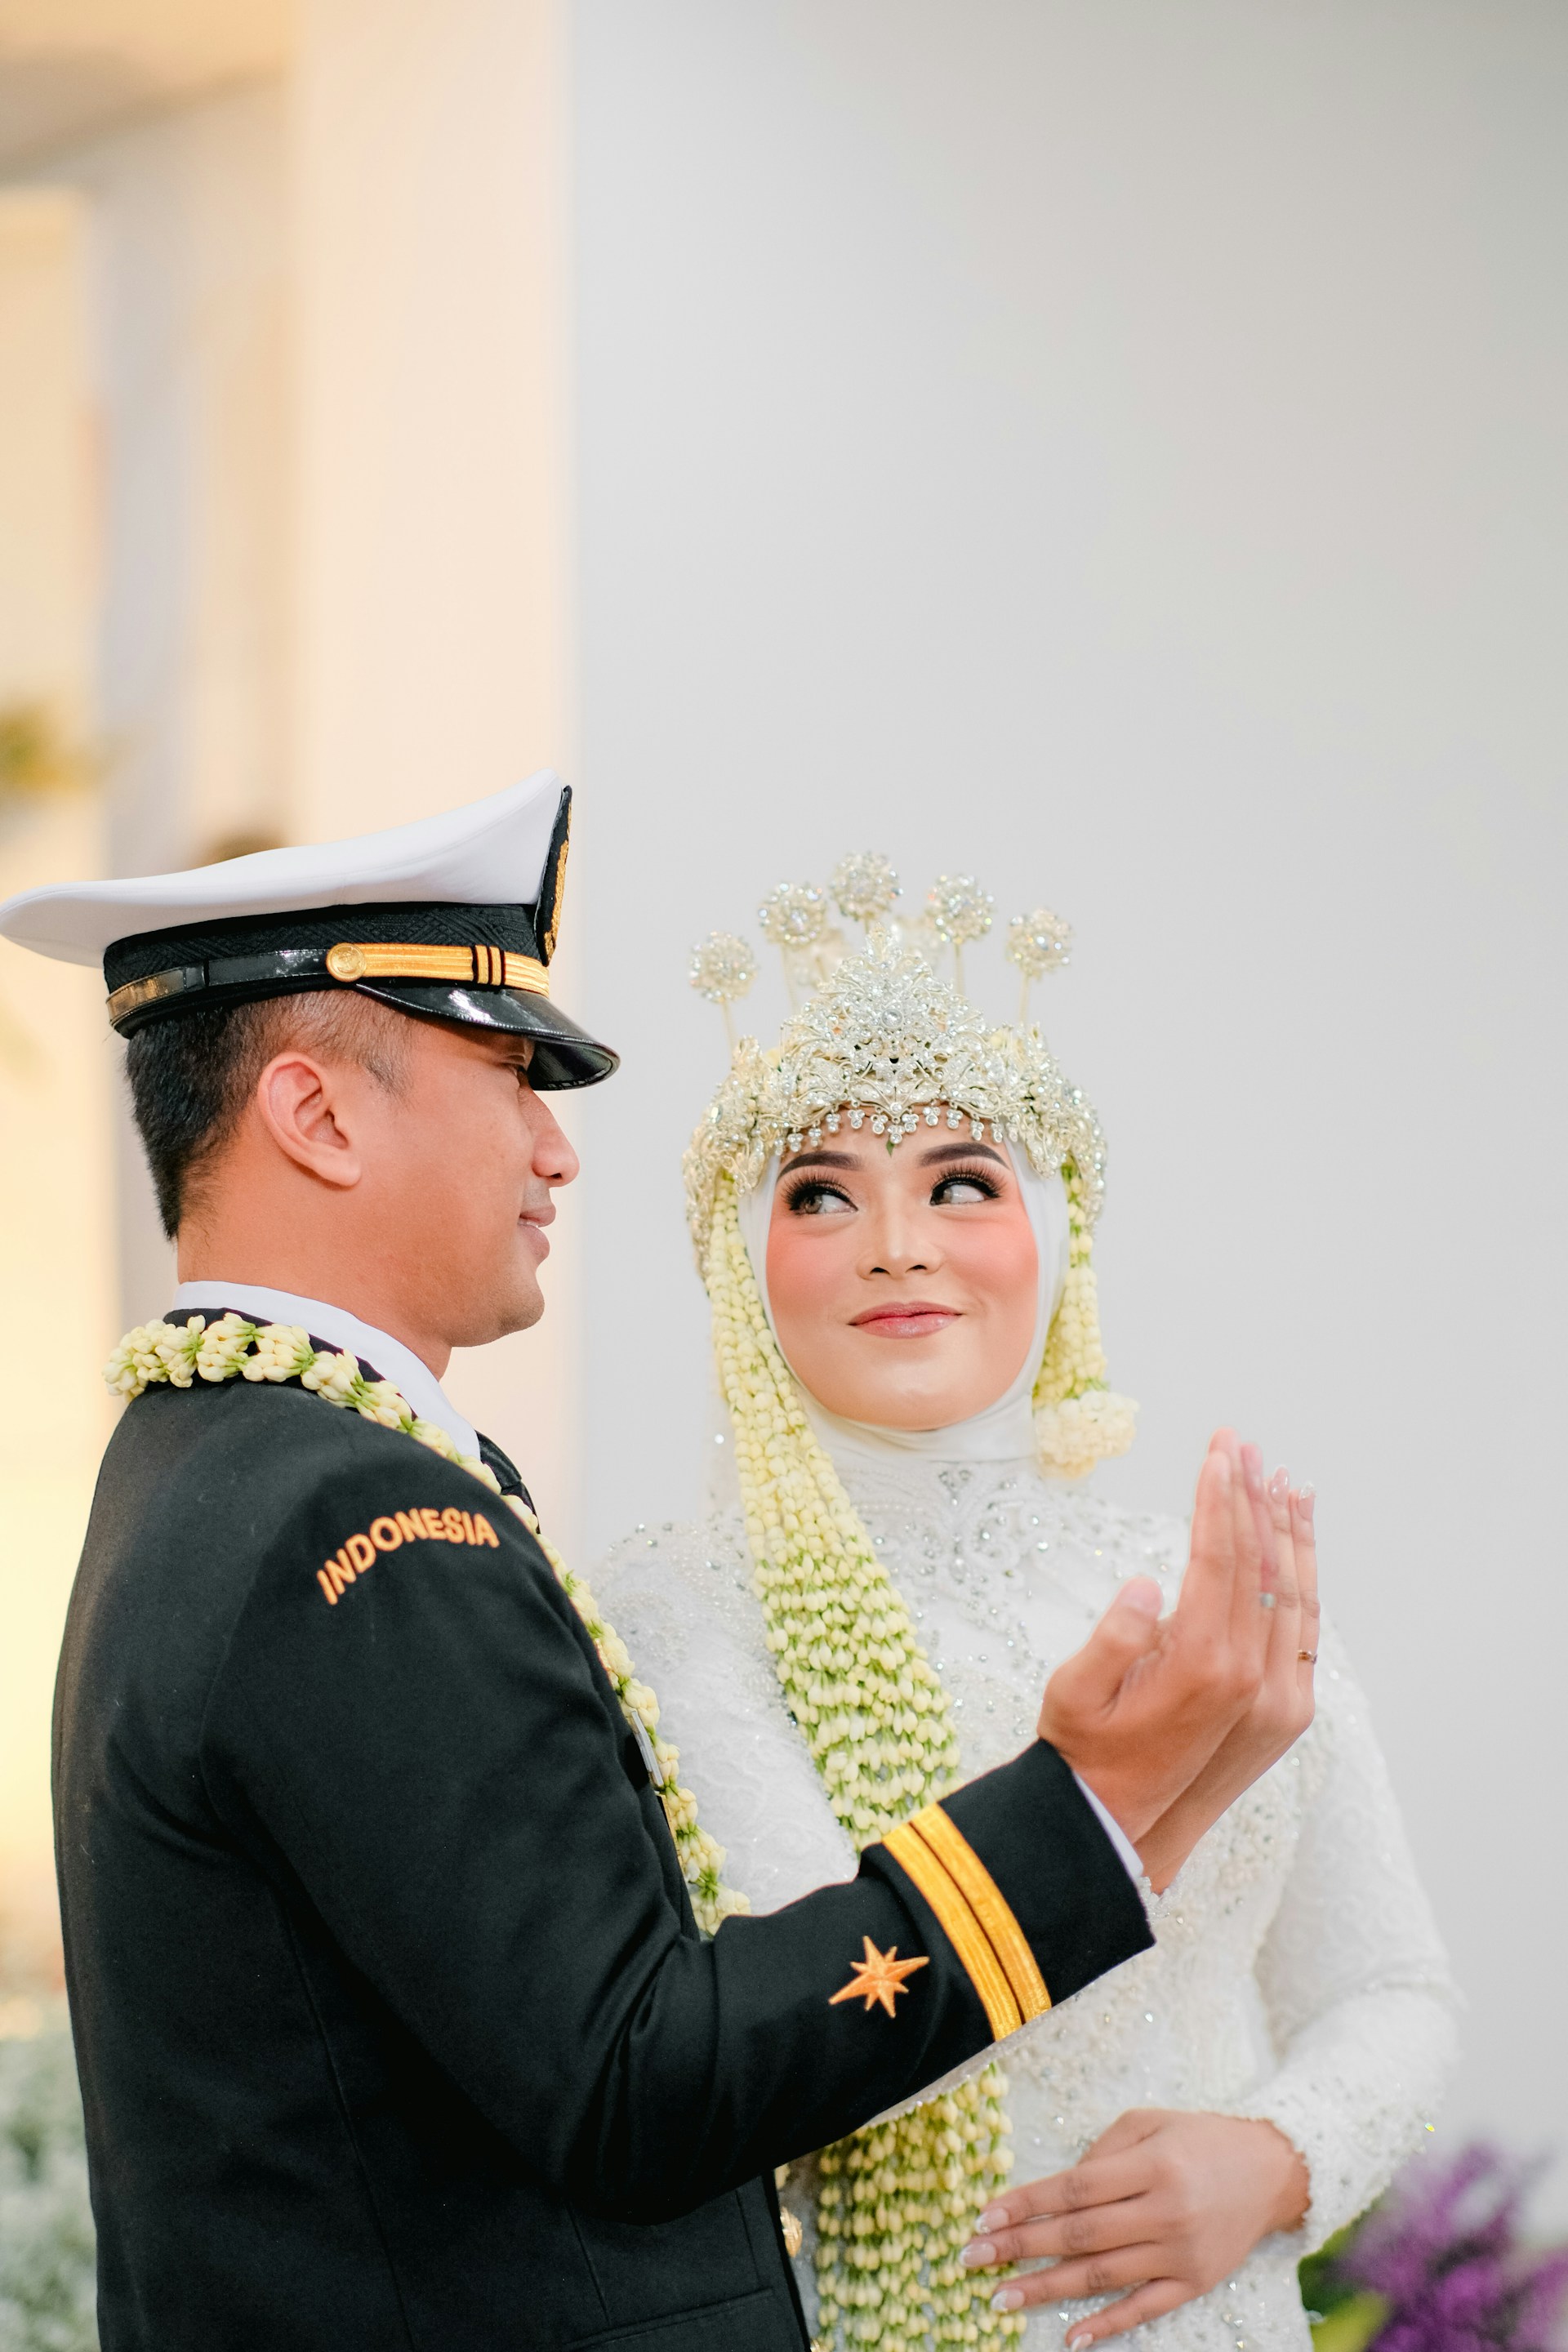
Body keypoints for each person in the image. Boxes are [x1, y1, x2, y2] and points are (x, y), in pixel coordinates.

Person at [0, 777, 1297, 2352]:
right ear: (317, 1116)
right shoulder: (346, 1516)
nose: (557, 1152)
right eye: (512, 1077)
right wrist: (1081, 1808)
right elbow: (633, 2079)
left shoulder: (215, 1462)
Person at [592, 870, 1459, 2352]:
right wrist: (1134, 1800)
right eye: (820, 1194)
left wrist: (1274, 2163)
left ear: (1057, 1234)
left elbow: (1393, 1990)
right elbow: (808, 2049)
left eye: (961, 1183)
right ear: (742, 1265)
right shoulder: (678, 1605)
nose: (897, 1243)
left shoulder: (1201, 1580)